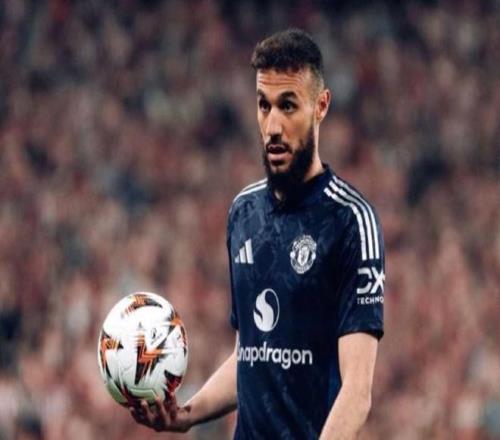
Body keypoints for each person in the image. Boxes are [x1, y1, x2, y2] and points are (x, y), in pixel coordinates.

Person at [130, 28, 385, 439]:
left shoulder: (350, 221)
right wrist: (188, 414)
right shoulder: (243, 213)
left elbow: (357, 392)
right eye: (264, 105)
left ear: (321, 106)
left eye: (288, 105)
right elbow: (251, 356)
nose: (273, 126)